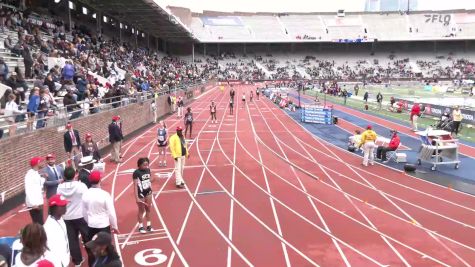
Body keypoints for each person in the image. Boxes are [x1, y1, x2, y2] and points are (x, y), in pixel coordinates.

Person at [82, 171, 119, 266]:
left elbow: (84, 212)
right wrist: (114, 226)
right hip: (103, 226)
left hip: (91, 226)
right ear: (100, 180)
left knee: (93, 249)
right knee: (106, 248)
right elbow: (111, 212)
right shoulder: (105, 194)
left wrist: (89, 221)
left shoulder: (85, 194)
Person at [57, 167, 89, 267]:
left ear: (64, 176)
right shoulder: (81, 186)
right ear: (75, 174)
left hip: (67, 217)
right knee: (87, 238)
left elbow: (59, 200)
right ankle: (92, 256)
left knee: (72, 240)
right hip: (81, 216)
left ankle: (77, 261)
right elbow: (87, 199)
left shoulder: (60, 188)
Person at [43, 194, 70, 267]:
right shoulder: (49, 227)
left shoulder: (60, 218)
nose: (65, 207)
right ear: (54, 208)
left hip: (64, 260)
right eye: (62, 205)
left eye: (65, 204)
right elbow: (52, 251)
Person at [133, 158, 154, 234]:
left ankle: (149, 225)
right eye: (144, 164)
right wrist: (137, 197)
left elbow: (150, 180)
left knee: (148, 209)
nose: (146, 166)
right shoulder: (136, 172)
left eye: (147, 164)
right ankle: (140, 226)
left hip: (148, 192)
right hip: (140, 193)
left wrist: (152, 179)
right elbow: (135, 185)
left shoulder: (148, 170)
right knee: (141, 210)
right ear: (139, 165)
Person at [25, 157, 46, 225]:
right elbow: (28, 189)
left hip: (39, 202)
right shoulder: (29, 175)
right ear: (36, 164)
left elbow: (38, 184)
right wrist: (33, 204)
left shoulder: (36, 173)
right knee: (38, 224)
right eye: (41, 162)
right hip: (35, 204)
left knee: (40, 223)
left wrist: (44, 178)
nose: (42, 163)